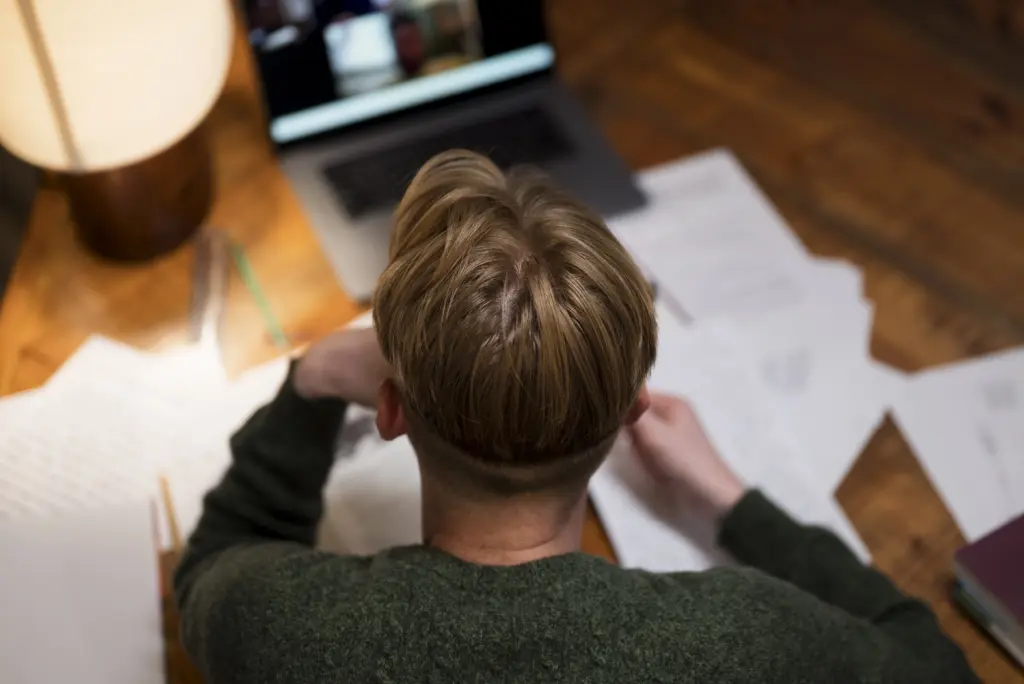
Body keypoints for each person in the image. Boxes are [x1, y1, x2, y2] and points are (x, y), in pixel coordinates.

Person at [175, 151, 978, 683]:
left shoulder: (288, 626)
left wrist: (311, 378)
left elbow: (212, 565)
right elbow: (933, 668)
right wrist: (735, 506)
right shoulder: (740, 639)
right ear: (631, 409)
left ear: (389, 411)